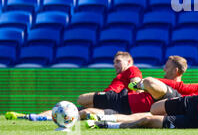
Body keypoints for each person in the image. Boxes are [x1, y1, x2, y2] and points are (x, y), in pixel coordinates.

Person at [4, 51, 143, 121]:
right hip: (106, 102)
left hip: (116, 101)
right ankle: (31, 117)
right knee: (67, 109)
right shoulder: (119, 76)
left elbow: (136, 83)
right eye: (114, 63)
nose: (115, 65)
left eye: (118, 62)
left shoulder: (132, 69)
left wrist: (134, 87)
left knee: (80, 101)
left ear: (129, 61)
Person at [79, 55, 198, 121]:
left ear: (176, 70)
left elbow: (193, 95)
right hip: (125, 100)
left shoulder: (178, 91)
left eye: (167, 67)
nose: (163, 69)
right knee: (82, 100)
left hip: (127, 111)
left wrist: (141, 83)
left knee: (85, 112)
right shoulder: (159, 86)